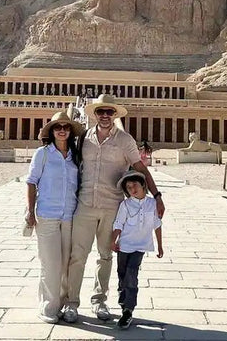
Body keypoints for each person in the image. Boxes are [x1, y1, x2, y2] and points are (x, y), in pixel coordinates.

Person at [62, 94, 165, 323]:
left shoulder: (125, 140)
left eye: (109, 112)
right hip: (85, 204)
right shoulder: (84, 138)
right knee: (77, 256)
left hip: (112, 207)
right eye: (101, 111)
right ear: (95, 114)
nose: (105, 116)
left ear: (115, 114)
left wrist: (157, 195)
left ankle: (99, 301)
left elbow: (141, 168)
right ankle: (71, 302)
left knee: (106, 255)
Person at [25, 111, 84, 324]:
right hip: (47, 214)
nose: (62, 130)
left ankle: (62, 303)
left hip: (69, 215)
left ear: (70, 131)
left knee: (66, 263)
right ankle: (48, 306)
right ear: (51, 131)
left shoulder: (75, 156)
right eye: (57, 127)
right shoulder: (43, 153)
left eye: (66, 127)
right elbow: (31, 182)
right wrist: (30, 210)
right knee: (51, 264)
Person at [111, 171, 164, 329]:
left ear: (143, 185)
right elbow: (118, 224)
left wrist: (160, 246)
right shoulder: (126, 205)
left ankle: (128, 310)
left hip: (140, 246)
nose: (132, 189)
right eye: (128, 187)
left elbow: (157, 225)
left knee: (131, 275)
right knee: (122, 275)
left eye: (135, 185)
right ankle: (123, 304)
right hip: (124, 246)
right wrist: (113, 241)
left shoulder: (152, 204)